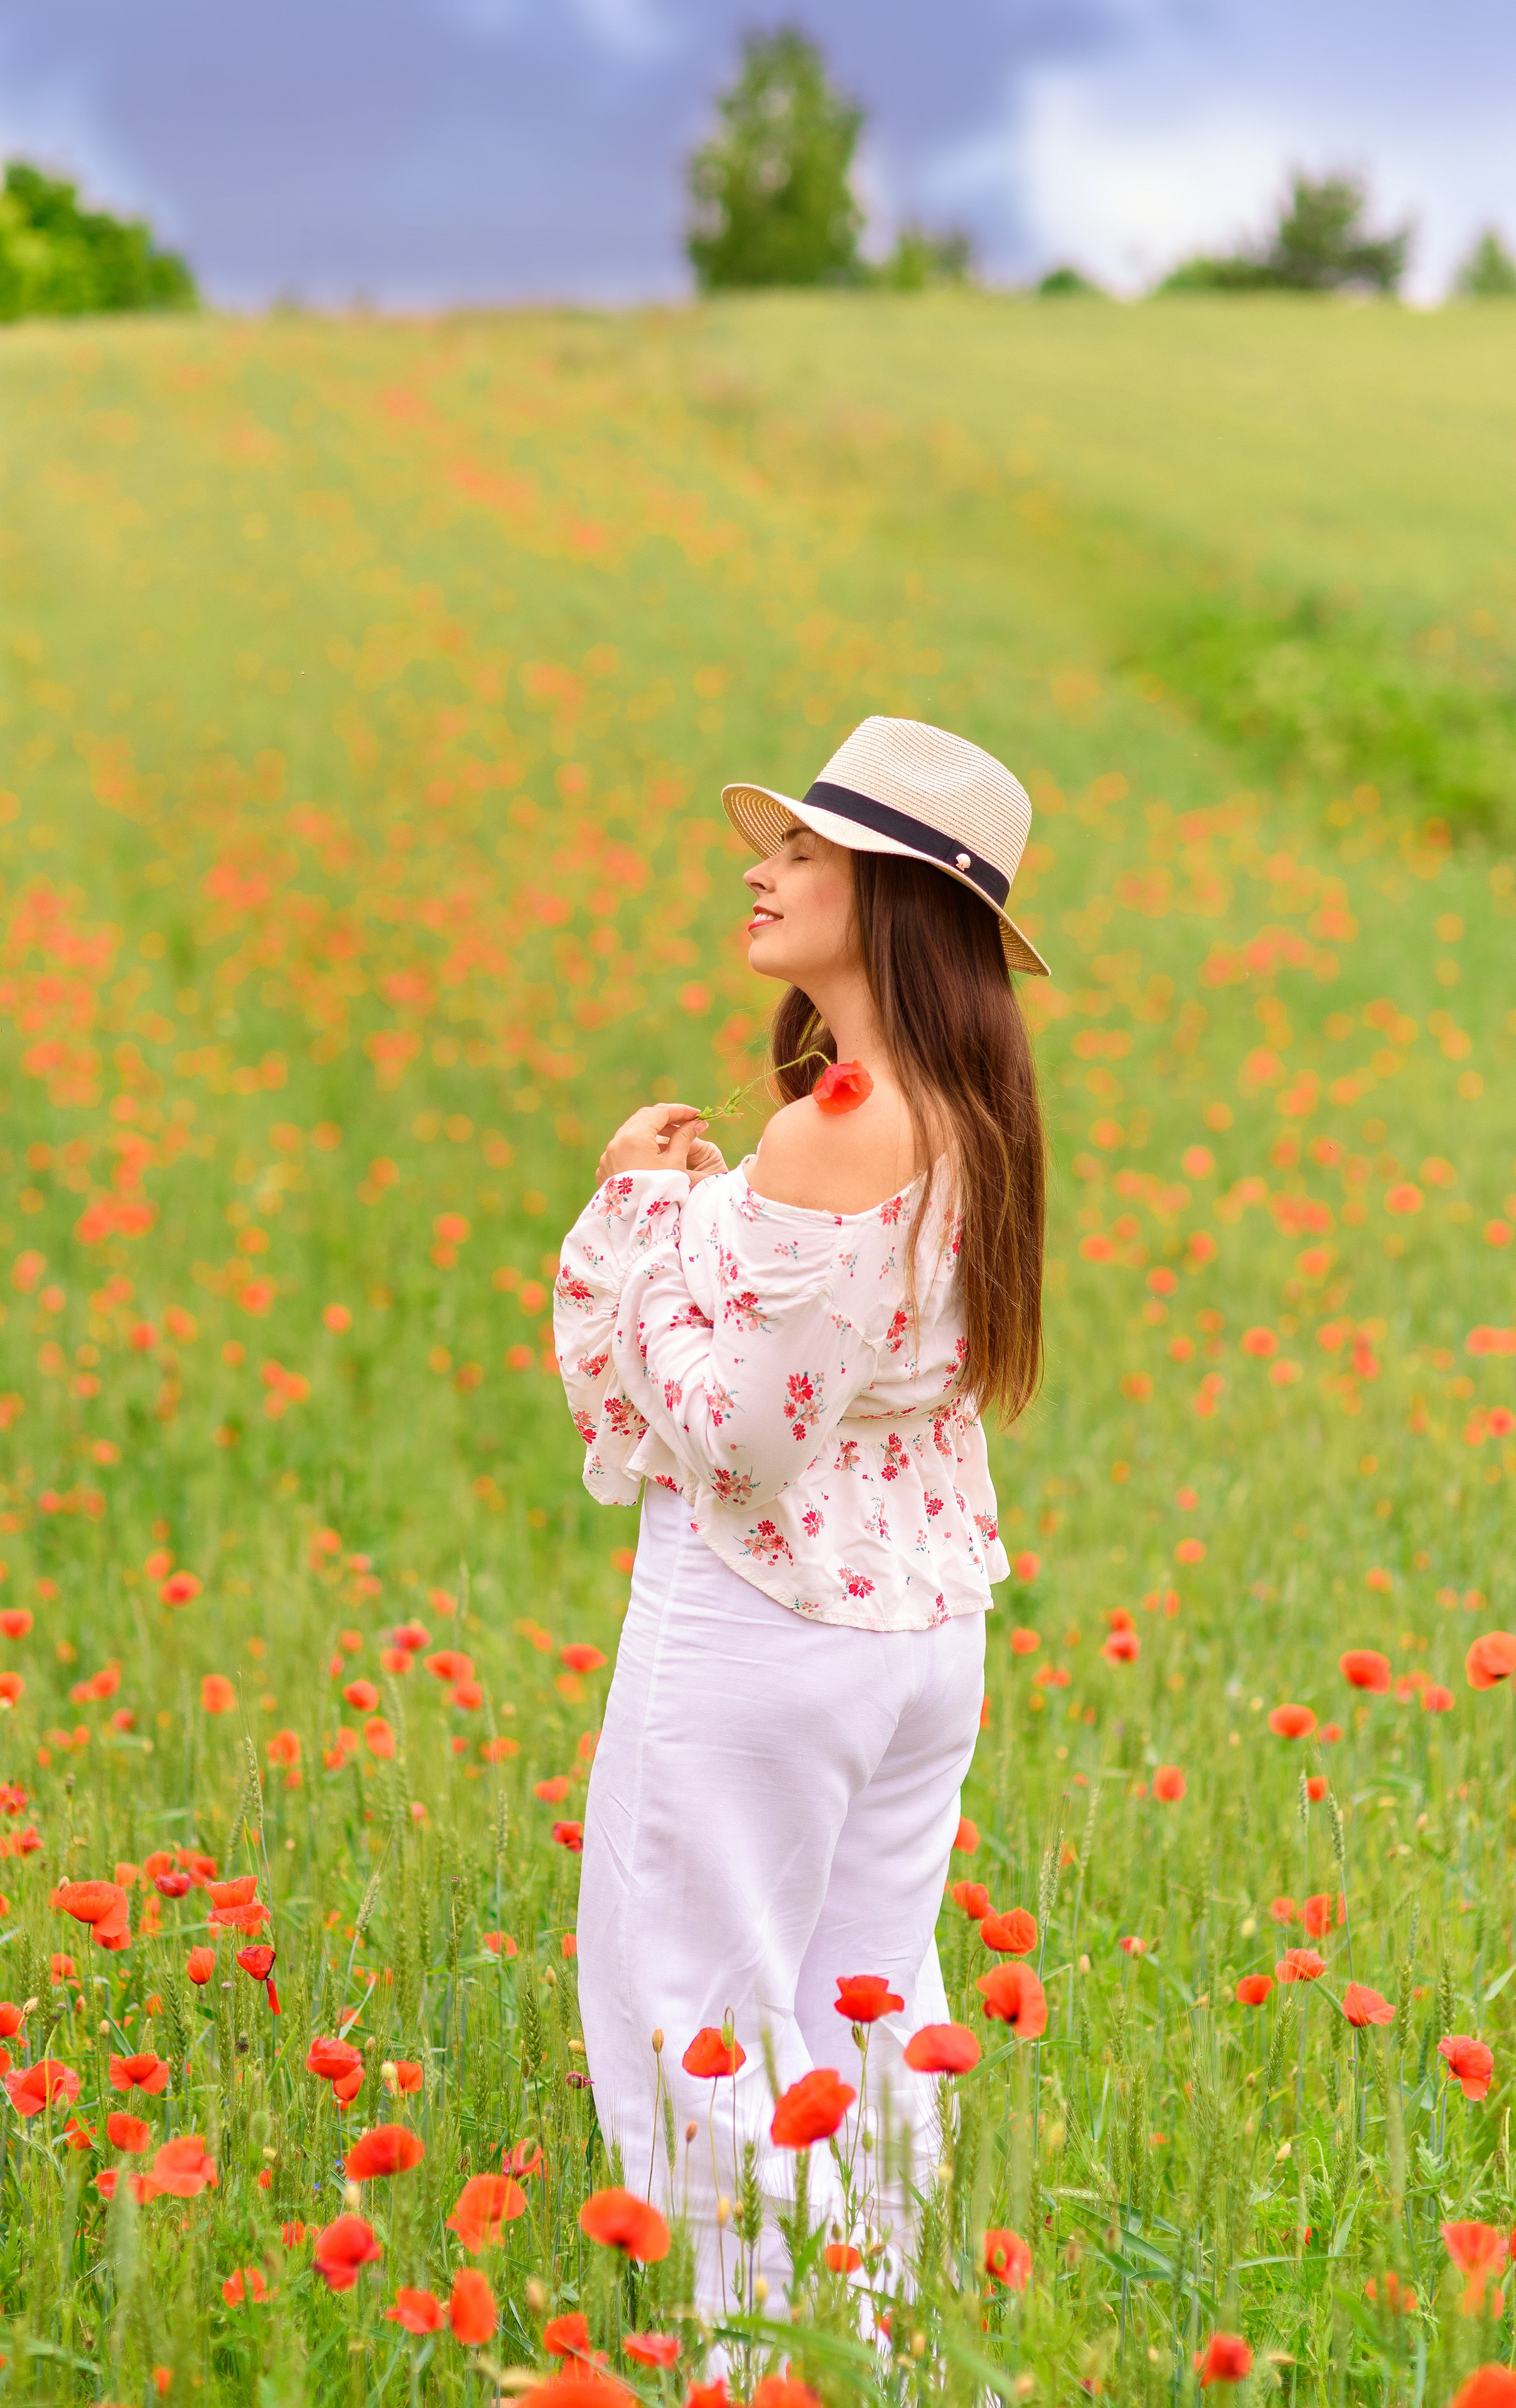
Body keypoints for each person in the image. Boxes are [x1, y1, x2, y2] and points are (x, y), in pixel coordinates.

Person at [552, 715, 1050, 2309]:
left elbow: (736, 1439)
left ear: (895, 901)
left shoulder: (833, 1122)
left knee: (697, 2021)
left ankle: (752, 2369)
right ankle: (872, 2351)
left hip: (763, 1626)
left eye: (804, 856)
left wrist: (637, 1221)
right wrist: (712, 1214)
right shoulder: (963, 1107)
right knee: (867, 2011)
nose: (761, 876)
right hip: (918, 1638)